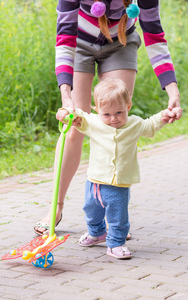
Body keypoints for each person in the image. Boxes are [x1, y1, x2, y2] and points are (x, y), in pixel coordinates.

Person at [34, 0, 182, 236]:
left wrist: (172, 89)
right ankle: (56, 207)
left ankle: (113, 220)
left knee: (117, 124)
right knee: (75, 126)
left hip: (120, 43)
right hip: (78, 42)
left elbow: (155, 35)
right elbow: (64, 39)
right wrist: (66, 95)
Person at [56, 77, 182, 259]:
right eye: (107, 114)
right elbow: (77, 116)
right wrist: (66, 113)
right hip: (94, 182)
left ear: (128, 106)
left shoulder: (135, 124)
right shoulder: (93, 122)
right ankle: (96, 233)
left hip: (118, 184)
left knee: (117, 217)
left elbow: (151, 123)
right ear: (98, 110)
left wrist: (166, 114)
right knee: (90, 210)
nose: (113, 119)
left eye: (119, 113)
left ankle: (116, 243)